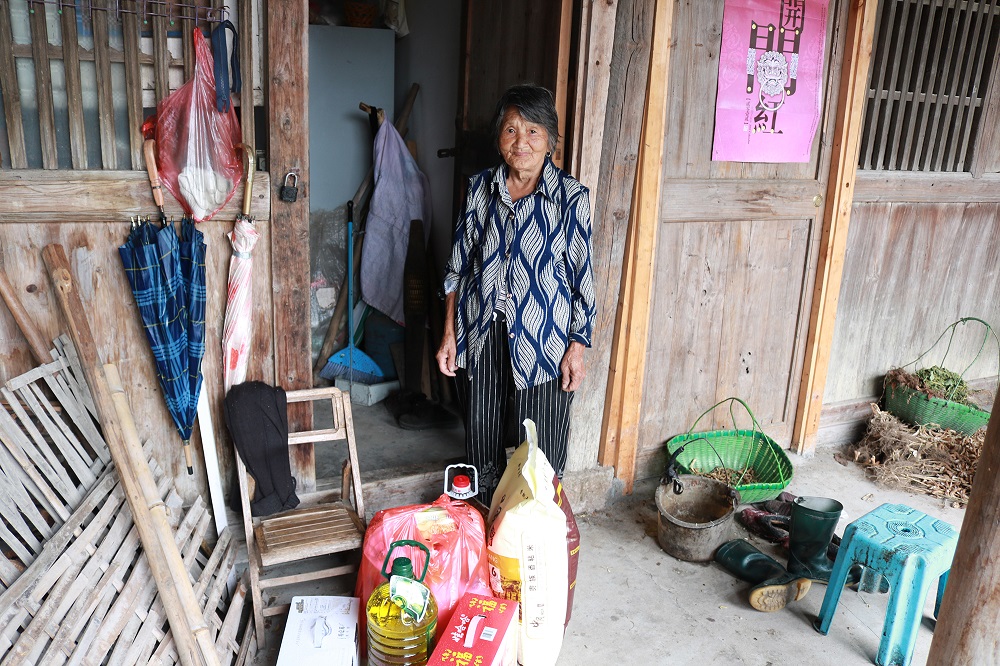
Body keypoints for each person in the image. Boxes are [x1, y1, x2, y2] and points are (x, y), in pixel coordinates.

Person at [435, 84, 596, 505]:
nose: (521, 142)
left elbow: (583, 283)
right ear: (499, 138)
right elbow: (456, 268)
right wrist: (450, 334)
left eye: (533, 131)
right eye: (511, 130)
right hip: (482, 331)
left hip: (545, 341)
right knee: (481, 445)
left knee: (541, 456)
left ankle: (534, 530)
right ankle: (487, 524)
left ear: (550, 140)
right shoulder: (480, 189)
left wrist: (577, 348)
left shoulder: (570, 198)